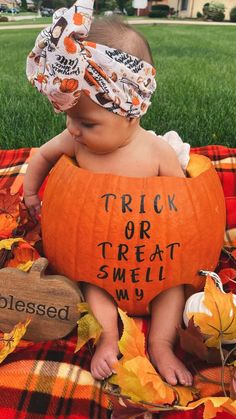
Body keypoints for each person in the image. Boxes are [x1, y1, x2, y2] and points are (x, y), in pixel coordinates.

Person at [24, 0, 192, 387]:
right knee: (90, 288)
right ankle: (108, 339)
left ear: (131, 111)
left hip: (154, 257)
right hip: (96, 256)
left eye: (87, 121)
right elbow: (43, 156)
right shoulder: (76, 140)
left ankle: (162, 345)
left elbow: (186, 205)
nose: (74, 128)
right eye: (69, 117)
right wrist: (31, 193)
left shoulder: (156, 151)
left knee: (173, 289)